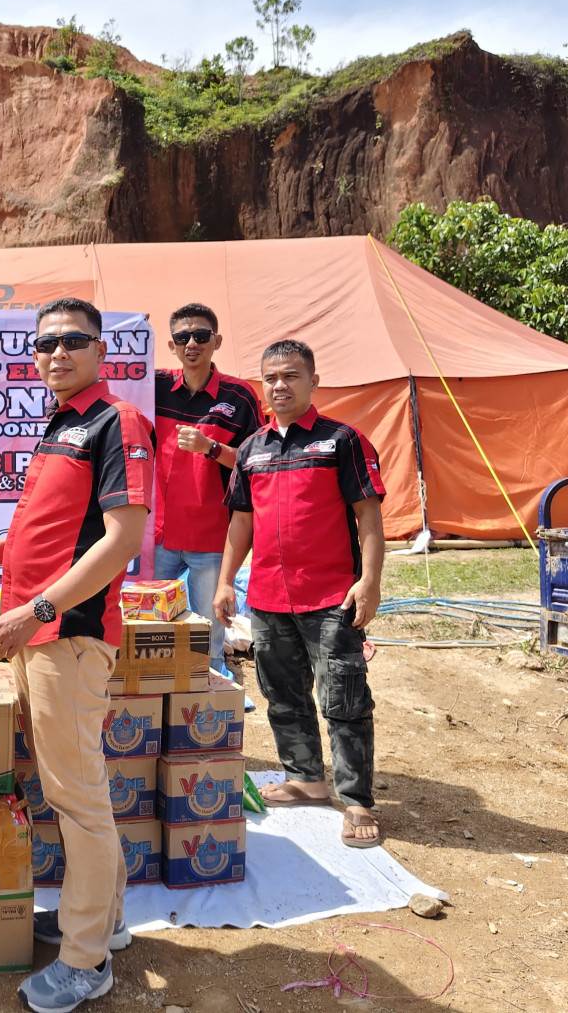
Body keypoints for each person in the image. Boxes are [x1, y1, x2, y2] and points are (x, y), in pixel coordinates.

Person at [0, 297, 154, 1013]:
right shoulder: (63, 421)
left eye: (73, 341)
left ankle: (85, 960)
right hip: (37, 634)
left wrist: (38, 609)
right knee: (74, 788)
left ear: (102, 350)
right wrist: (1, 550)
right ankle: (106, 920)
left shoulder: (115, 421)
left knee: (77, 798)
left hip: (66, 637)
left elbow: (121, 540)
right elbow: (60, 525)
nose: (57, 353)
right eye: (45, 344)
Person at [213, 339, 386, 849]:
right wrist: (225, 580)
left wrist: (370, 581)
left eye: (291, 376)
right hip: (268, 597)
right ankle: (306, 780)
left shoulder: (342, 441)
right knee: (283, 696)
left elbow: (368, 515)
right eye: (270, 378)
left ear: (313, 381)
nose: (280, 386)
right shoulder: (252, 449)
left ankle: (357, 801)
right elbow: (240, 522)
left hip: (331, 596)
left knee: (344, 700)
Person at [153, 303, 261, 674]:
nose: (192, 344)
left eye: (201, 335)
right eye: (183, 337)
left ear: (217, 341)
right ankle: (155, 684)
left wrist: (211, 448)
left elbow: (255, 462)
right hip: (157, 535)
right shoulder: (153, 386)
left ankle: (208, 689)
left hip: (211, 537)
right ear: (171, 345)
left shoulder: (239, 396)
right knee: (147, 625)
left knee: (207, 636)